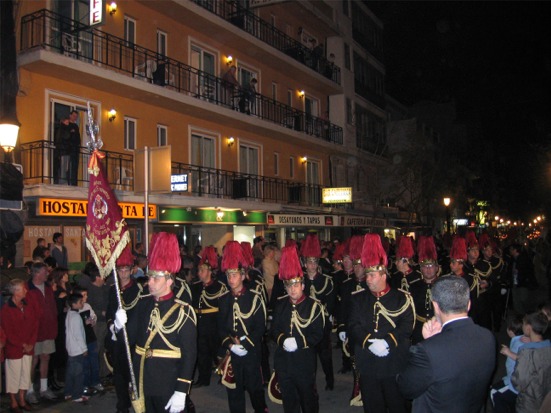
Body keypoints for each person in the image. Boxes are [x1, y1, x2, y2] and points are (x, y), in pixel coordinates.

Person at [118, 232, 197, 413]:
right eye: (149, 277)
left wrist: (182, 390)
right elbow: (128, 340)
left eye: (156, 278)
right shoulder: (143, 304)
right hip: (143, 380)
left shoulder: (183, 311)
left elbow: (189, 354)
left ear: (169, 281)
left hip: (168, 383)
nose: (150, 282)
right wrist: (118, 326)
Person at [396, 275, 496, 413]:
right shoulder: (487, 337)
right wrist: (435, 341)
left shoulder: (427, 351)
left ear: (436, 306)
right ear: (468, 304)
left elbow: (406, 388)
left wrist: (430, 342)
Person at [348, 234, 414, 413]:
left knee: (397, 405)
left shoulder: (401, 298)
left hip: (393, 361)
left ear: (384, 274)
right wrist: (369, 342)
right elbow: (353, 325)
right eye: (367, 275)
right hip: (368, 362)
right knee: (372, 406)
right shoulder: (358, 298)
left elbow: (406, 326)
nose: (368, 279)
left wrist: (387, 342)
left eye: (372, 275)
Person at [271, 246, 325, 413]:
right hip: (284, 362)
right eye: (289, 286)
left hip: (304, 362)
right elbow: (274, 330)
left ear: (302, 285)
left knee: (308, 399)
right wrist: (282, 340)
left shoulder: (314, 306)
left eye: (295, 285)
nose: (292, 289)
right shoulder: (281, 305)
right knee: (289, 401)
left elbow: (318, 334)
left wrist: (299, 342)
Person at [218, 241, 267, 413]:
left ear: (243, 275)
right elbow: (221, 327)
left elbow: (260, 327)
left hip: (251, 352)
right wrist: (230, 345)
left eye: (234, 274)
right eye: (228, 275)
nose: (231, 279)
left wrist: (245, 344)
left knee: (255, 391)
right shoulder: (223, 299)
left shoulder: (254, 297)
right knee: (234, 394)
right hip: (232, 353)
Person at [106, 246, 146, 413]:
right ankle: (122, 405)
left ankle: (138, 404)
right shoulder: (113, 289)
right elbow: (109, 311)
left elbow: (139, 315)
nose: (123, 274)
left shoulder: (138, 290)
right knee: (119, 374)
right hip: (117, 337)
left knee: (134, 375)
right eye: (120, 270)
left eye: (126, 270)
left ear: (131, 270)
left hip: (132, 339)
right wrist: (112, 326)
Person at [494, 311, 550, 412]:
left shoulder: (526, 351)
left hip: (529, 401)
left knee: (495, 393)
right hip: (544, 397)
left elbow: (518, 381)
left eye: (523, 324)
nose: (522, 326)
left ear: (528, 328)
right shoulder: (548, 346)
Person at [300, 233, 335, 391]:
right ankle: (310, 382)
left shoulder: (326, 280)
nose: (312, 265)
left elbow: (331, 302)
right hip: (305, 323)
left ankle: (330, 380)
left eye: (315, 262)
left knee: (325, 355)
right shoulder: (300, 281)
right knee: (308, 355)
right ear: (305, 263)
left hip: (322, 322)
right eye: (309, 262)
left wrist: (329, 318)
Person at [190, 246, 227, 387]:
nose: (199, 273)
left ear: (210, 271)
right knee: (202, 353)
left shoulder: (219, 287)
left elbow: (223, 309)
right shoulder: (195, 286)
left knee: (217, 352)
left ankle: (224, 376)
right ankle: (203, 379)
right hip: (199, 324)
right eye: (199, 270)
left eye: (202, 270)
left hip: (213, 324)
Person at [0, 279, 39, 412]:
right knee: (13, 375)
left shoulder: (27, 306)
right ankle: (13, 401)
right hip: (14, 348)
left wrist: (31, 343)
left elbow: (34, 324)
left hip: (28, 347)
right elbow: (7, 331)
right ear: (15, 292)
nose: (26, 291)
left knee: (25, 375)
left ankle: (22, 399)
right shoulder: (6, 310)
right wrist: (22, 344)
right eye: (23, 289)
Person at [25, 262, 58, 404]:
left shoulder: (48, 287)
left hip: (48, 329)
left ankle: (44, 388)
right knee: (33, 360)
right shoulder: (27, 288)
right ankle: (29, 390)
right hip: (34, 331)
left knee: (46, 357)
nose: (47, 274)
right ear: (37, 273)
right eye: (45, 271)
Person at [408, 236, 440, 344]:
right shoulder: (414, 286)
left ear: (436, 268)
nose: (428, 269)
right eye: (425, 266)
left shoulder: (443, 286)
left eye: (431, 266)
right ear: (421, 269)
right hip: (419, 329)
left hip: (438, 328)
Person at [491, 314, 526, 411]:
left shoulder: (519, 343)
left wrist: (509, 353)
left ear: (510, 331)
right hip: (512, 378)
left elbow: (523, 360)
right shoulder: (521, 339)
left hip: (515, 383)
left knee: (494, 392)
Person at [64, 293, 89, 403]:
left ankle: (68, 393)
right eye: (80, 302)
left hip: (71, 348)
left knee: (70, 373)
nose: (82, 303)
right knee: (78, 374)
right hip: (77, 350)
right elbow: (78, 335)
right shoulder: (76, 317)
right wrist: (84, 348)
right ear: (74, 304)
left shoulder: (70, 314)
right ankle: (77, 395)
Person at [508, 243, 538, 314]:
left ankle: (527, 313)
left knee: (523, 299)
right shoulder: (512, 260)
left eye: (511, 249)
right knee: (516, 300)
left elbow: (529, 271)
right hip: (514, 283)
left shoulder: (524, 259)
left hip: (523, 283)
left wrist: (526, 280)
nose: (509, 251)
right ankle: (519, 314)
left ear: (515, 250)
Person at [53, 117, 71, 184]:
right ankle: (62, 181)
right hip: (63, 150)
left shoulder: (60, 129)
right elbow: (66, 136)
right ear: (63, 122)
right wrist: (70, 131)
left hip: (63, 150)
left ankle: (62, 180)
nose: (68, 123)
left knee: (64, 166)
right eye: (67, 122)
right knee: (64, 166)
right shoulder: (63, 129)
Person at [67, 110, 81, 186]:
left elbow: (78, 137)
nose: (75, 117)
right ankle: (68, 181)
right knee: (69, 165)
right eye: (74, 116)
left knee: (75, 165)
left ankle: (74, 182)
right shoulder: (67, 124)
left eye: (76, 116)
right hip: (69, 149)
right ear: (70, 116)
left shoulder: (76, 126)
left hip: (75, 149)